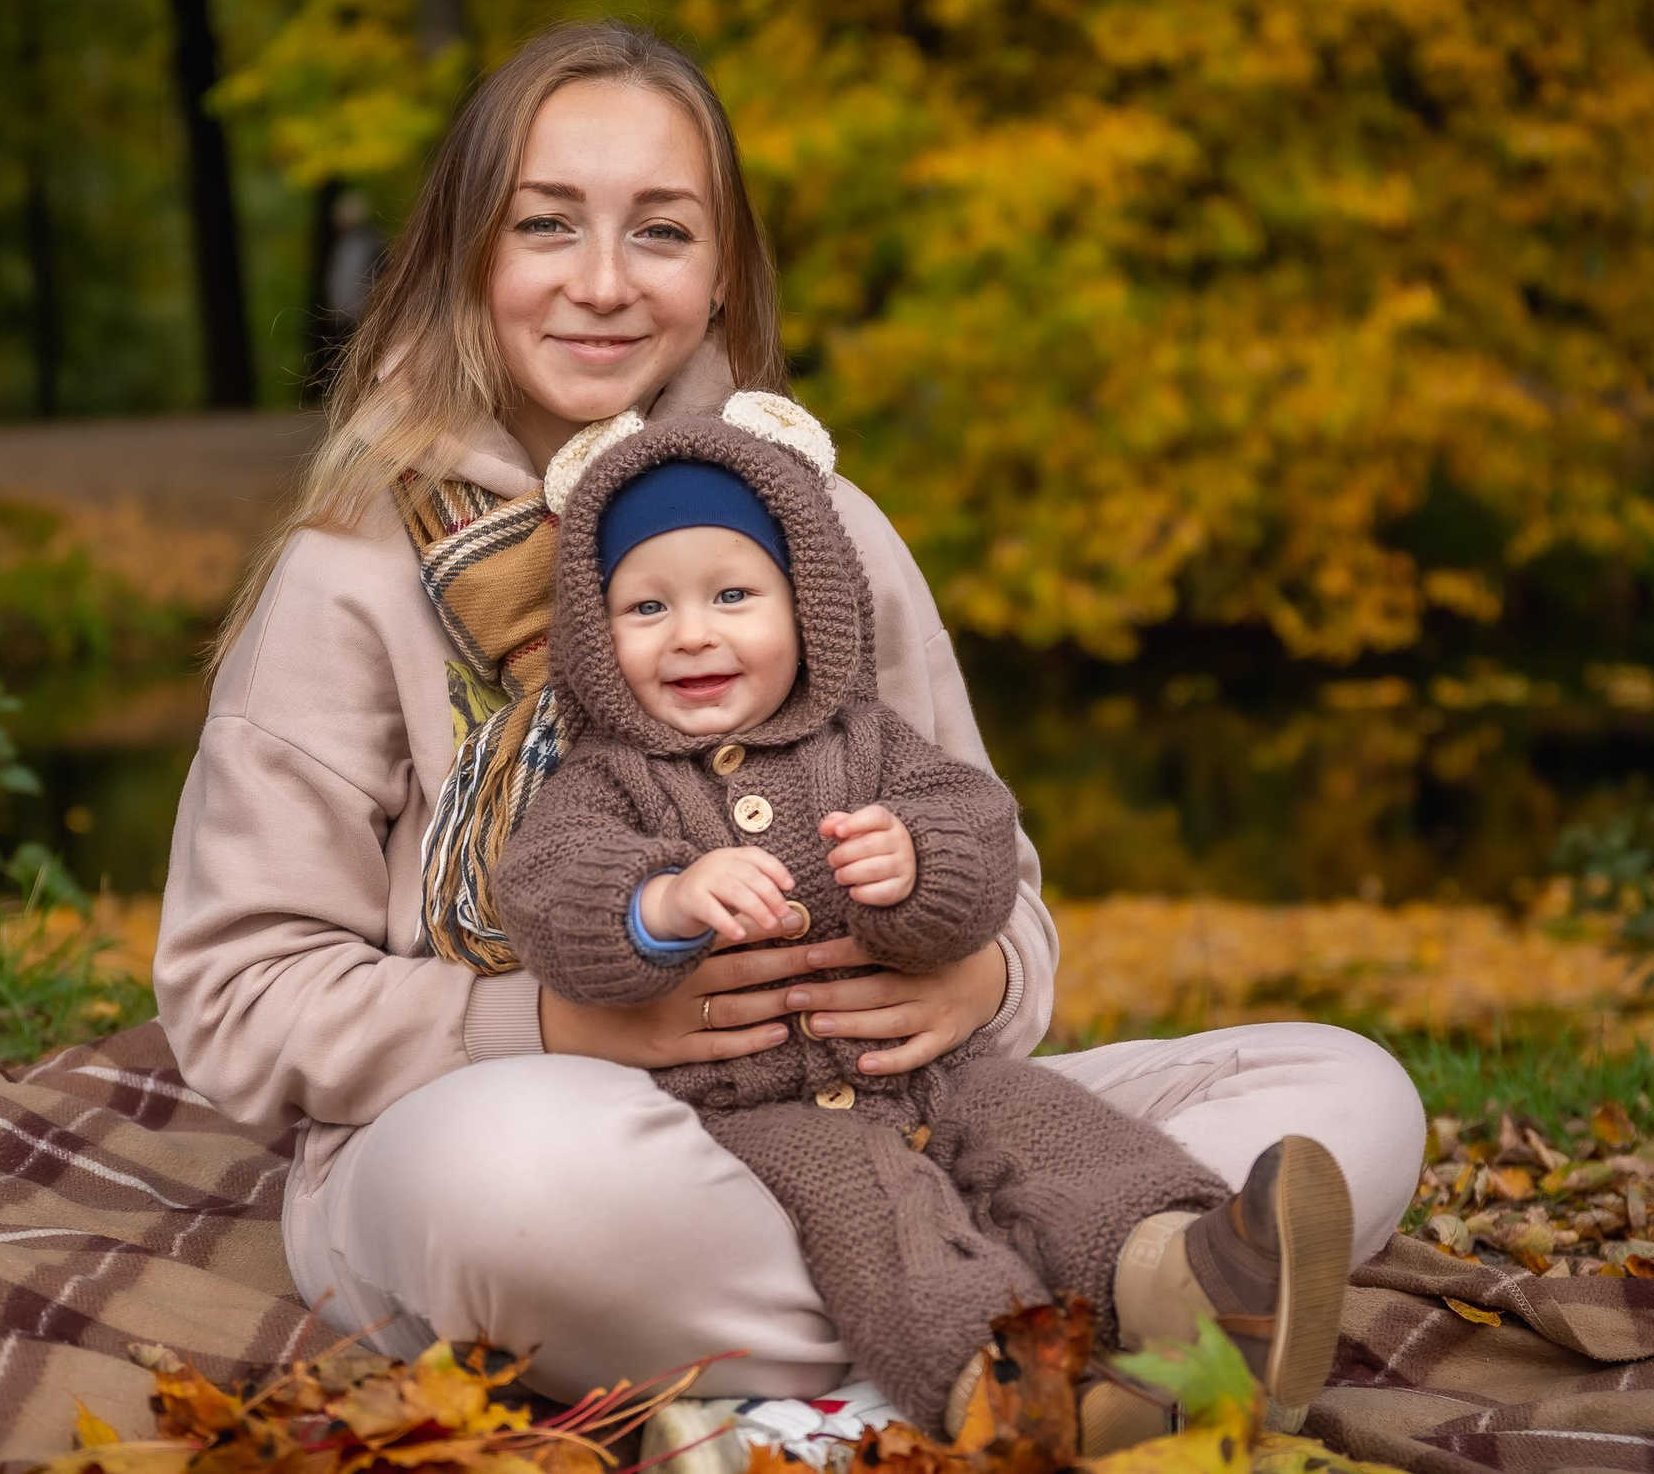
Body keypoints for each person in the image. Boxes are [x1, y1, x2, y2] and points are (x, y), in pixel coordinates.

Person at [153, 18, 1427, 1414]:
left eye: (660, 230)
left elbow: (1005, 880)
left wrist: (975, 980)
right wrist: (556, 1025)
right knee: (512, 1185)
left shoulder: (828, 537)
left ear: (723, 277)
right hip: (562, 1140)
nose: (600, 281)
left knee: (1353, 1090)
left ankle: (1005, 1336)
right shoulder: (352, 568)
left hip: (899, 1113)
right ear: (470, 256)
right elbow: (237, 995)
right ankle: (1103, 1316)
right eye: (546, 225)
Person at [495, 399, 1352, 1439]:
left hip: (933, 1071)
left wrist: (918, 864)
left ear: (806, 605)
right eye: (646, 610)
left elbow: (977, 829)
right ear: (593, 635)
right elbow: (547, 889)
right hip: (749, 1112)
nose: (694, 635)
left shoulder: (868, 740)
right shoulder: (606, 783)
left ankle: (1194, 1279)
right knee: (880, 1220)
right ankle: (1021, 1398)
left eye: (732, 595)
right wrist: (659, 903)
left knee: (1055, 1133)